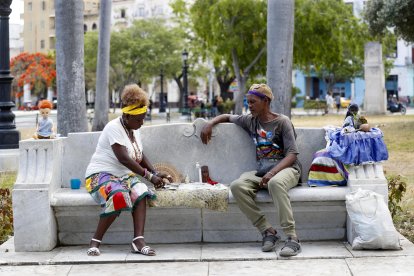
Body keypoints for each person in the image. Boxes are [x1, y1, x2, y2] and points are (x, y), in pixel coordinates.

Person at [200, 83, 302, 257]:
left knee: (276, 184)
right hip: (263, 171)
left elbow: (292, 154)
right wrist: (210, 123)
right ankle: (267, 231)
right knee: (237, 186)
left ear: (266, 101)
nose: (250, 106)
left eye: (253, 102)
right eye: (248, 102)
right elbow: (227, 116)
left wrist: (272, 173)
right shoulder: (250, 120)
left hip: (287, 169)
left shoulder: (282, 122)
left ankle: (292, 238)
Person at [84, 84, 173, 257]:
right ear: (126, 115)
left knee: (141, 190)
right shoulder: (113, 127)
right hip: (100, 175)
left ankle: (138, 241)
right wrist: (148, 176)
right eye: (139, 119)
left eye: (143, 118)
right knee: (119, 195)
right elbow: (124, 158)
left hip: (123, 175)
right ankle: (95, 241)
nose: (142, 123)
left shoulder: (133, 128)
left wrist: (154, 173)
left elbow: (139, 154)